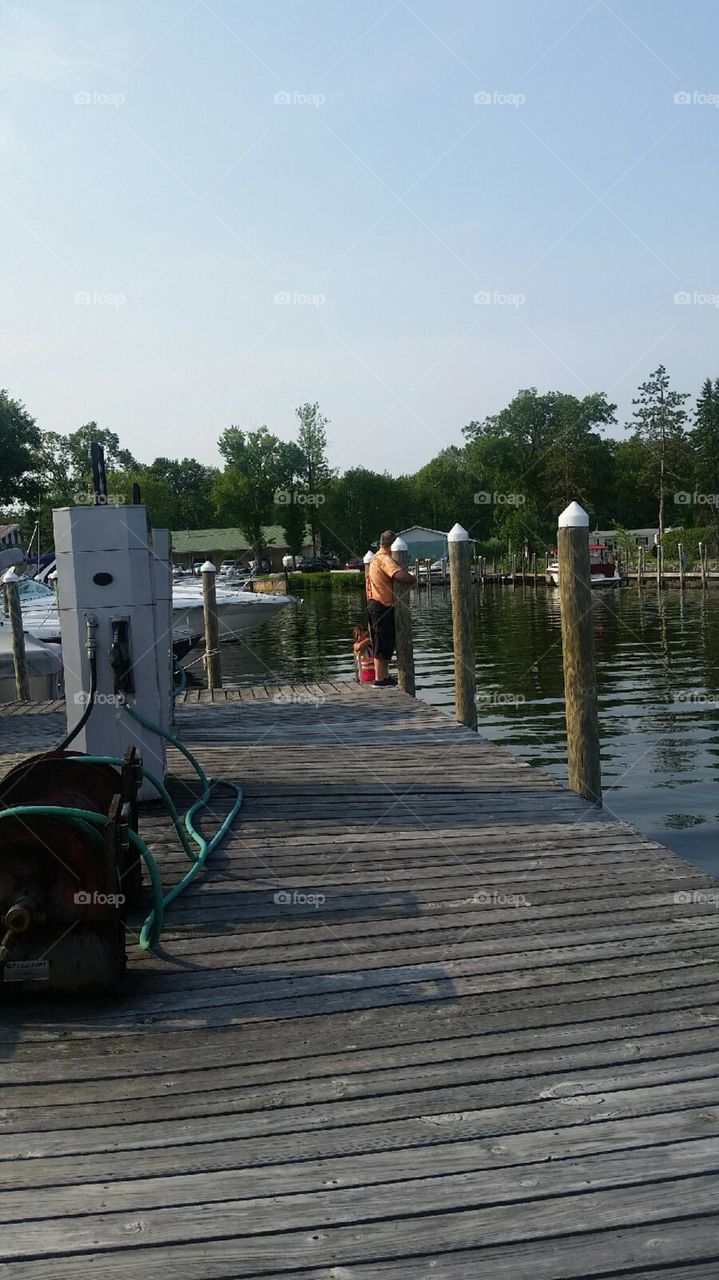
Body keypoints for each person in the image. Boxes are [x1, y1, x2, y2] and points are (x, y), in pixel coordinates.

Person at [365, 530, 416, 687]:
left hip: (375, 604)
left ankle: (384, 677)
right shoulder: (384, 559)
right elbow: (399, 575)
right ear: (392, 545)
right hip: (382, 605)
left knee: (381, 640)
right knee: (382, 641)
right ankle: (380, 679)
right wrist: (413, 579)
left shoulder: (375, 558)